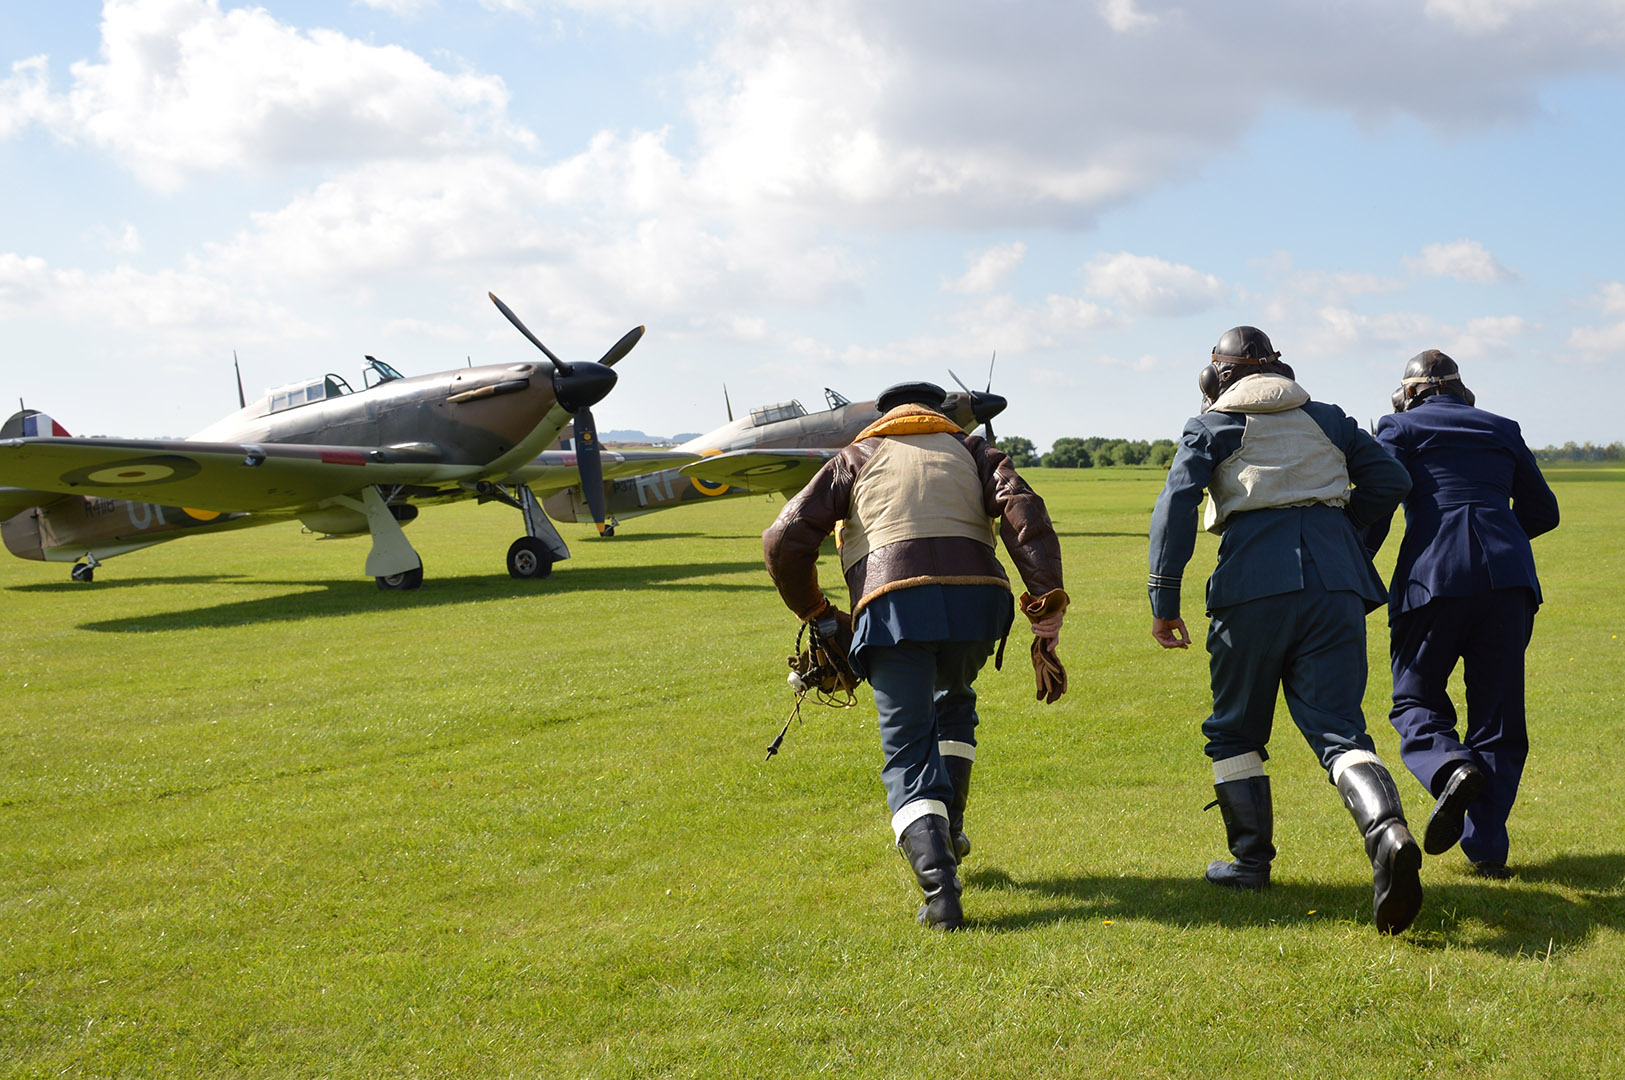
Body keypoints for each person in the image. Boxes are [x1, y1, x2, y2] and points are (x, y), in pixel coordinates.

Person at [1147, 326, 1424, 934]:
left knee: (1235, 729)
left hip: (1251, 583)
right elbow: (1391, 482)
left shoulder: (1211, 427)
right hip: (1338, 582)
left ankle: (1251, 863)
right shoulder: (1327, 417)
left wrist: (1163, 597)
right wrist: (1348, 537)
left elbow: (1176, 505)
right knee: (1341, 730)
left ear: (1217, 376)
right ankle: (1390, 834)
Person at [762, 381, 1067, 930]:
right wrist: (1046, 602)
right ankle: (948, 832)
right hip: (979, 607)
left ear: (884, 416)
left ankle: (941, 895)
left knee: (907, 749)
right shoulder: (974, 450)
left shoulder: (855, 455)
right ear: (940, 412)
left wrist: (817, 613)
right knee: (953, 699)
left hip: (892, 609)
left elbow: (783, 539)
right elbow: (1024, 511)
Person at [1362, 350, 1559, 879]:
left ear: (1410, 391)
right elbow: (1544, 511)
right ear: (1459, 389)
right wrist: (1500, 539)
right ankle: (1488, 847)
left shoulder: (1397, 428)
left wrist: (1354, 567)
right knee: (1498, 715)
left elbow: (1378, 504)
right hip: (1509, 581)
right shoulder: (1503, 427)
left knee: (1414, 698)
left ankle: (1450, 767)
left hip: (1433, 579)